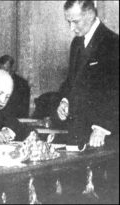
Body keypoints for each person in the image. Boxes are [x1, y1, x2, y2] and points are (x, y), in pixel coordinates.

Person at [55, 0, 119, 148]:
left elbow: (115, 92)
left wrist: (102, 127)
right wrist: (65, 100)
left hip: (102, 137)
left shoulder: (113, 43)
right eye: (68, 22)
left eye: (75, 22)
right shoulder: (76, 43)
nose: (72, 28)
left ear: (90, 15)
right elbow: (71, 81)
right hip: (77, 132)